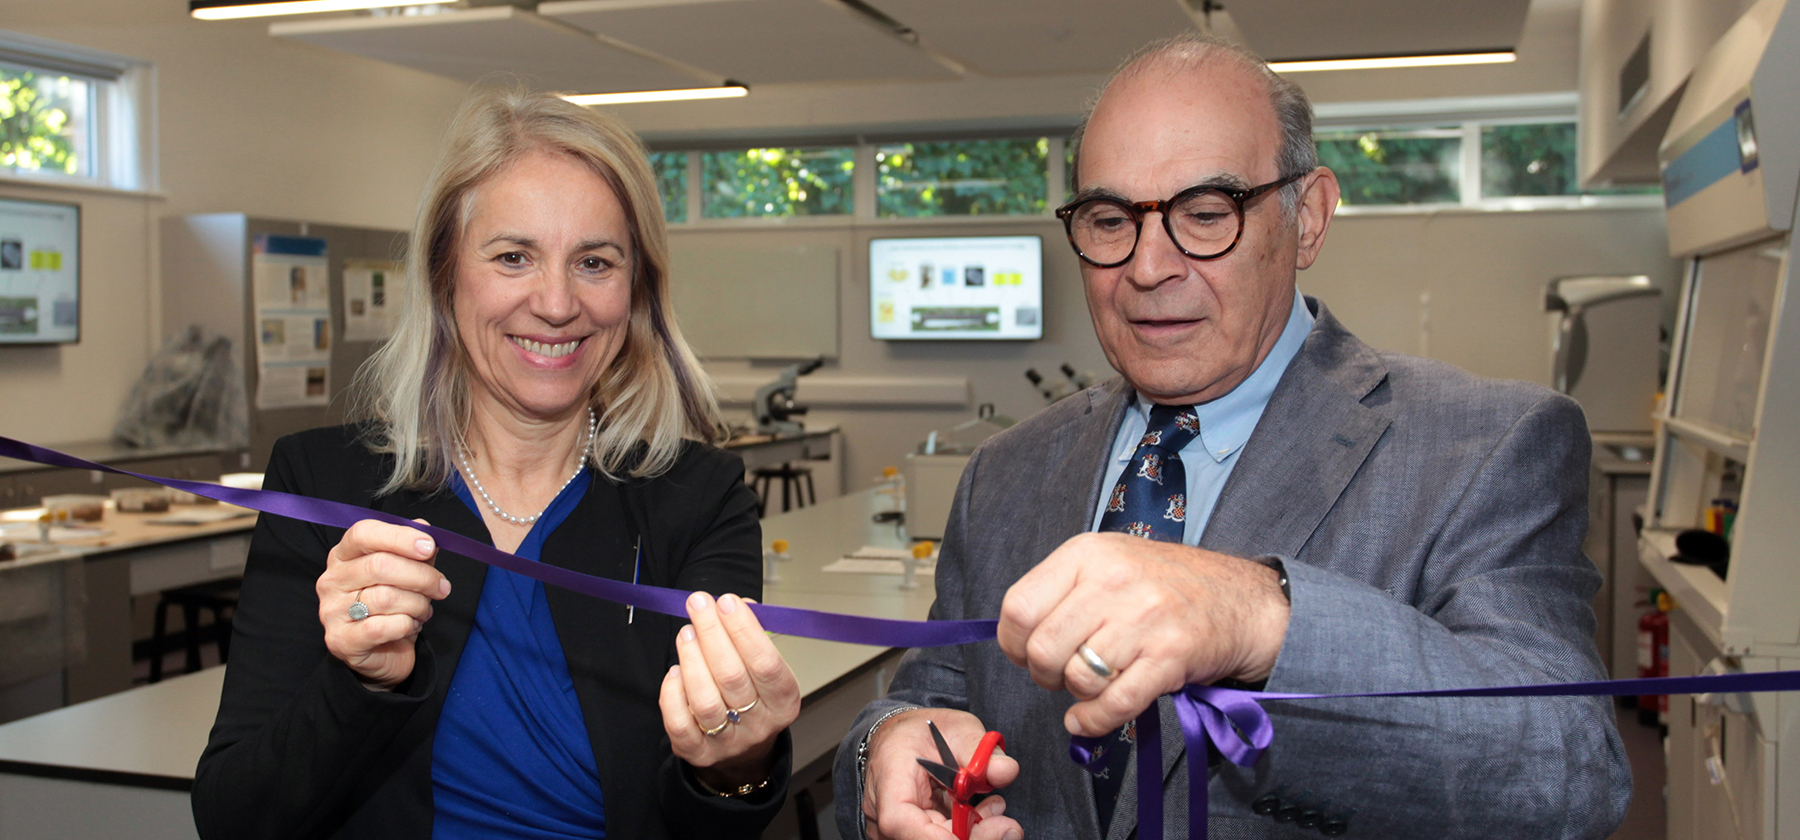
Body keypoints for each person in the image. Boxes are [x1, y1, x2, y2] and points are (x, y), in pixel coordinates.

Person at [836, 33, 1631, 840]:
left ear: (1308, 218)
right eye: (1110, 220)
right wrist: (888, 749)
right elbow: (932, 698)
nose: (1148, 267)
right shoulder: (1004, 473)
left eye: (1205, 214)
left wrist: (1262, 617)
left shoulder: (1487, 446)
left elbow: (1568, 773)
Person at [194, 88, 800, 839]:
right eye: (514, 257)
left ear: (636, 287)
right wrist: (361, 683)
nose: (555, 303)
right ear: (446, 276)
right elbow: (233, 819)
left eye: (595, 262)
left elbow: (707, 823)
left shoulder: (697, 498)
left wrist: (736, 766)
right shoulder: (325, 486)